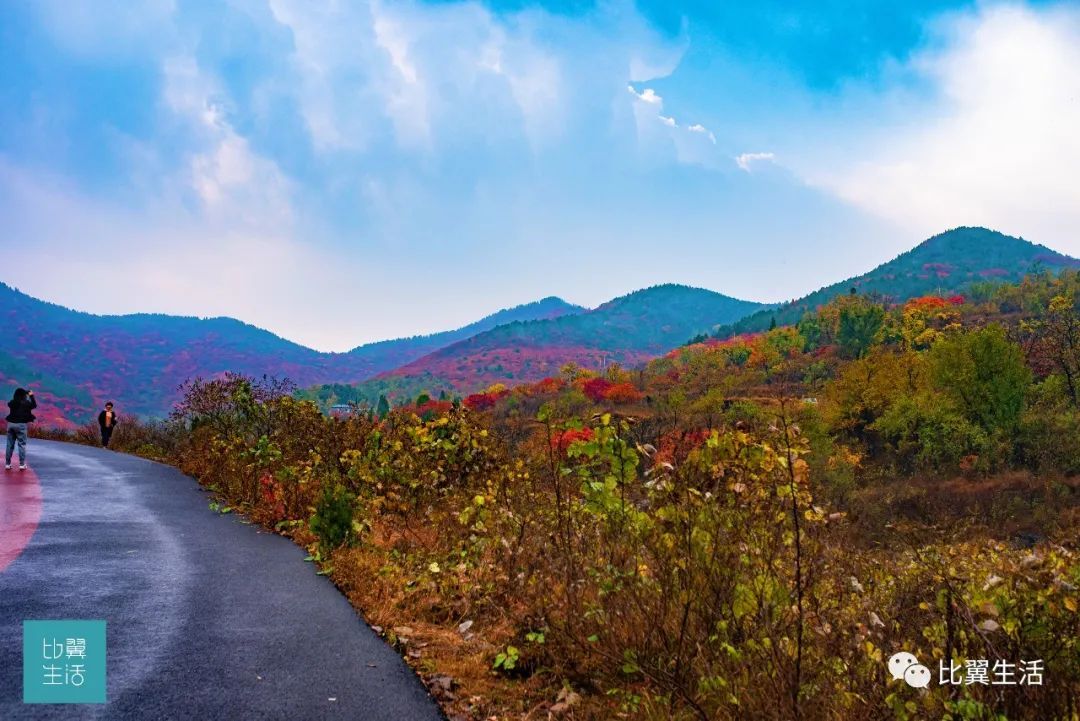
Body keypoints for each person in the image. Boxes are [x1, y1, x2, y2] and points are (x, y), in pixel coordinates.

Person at [5, 388, 36, 470]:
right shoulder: (26, 403)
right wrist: (31, 395)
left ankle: (7, 464)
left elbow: (9, 403)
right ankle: (22, 465)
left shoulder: (12, 403)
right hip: (21, 425)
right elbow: (34, 405)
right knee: (21, 445)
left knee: (9, 445)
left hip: (11, 424)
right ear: (24, 395)